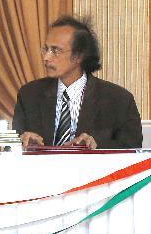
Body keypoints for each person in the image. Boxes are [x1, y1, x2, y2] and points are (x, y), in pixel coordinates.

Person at [13, 15, 141, 149]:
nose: (46, 57)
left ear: (79, 55)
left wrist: (96, 144)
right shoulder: (29, 95)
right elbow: (14, 139)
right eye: (46, 49)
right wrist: (22, 140)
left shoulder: (118, 100)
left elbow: (132, 147)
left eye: (56, 50)